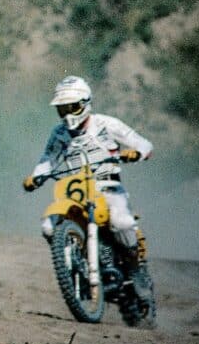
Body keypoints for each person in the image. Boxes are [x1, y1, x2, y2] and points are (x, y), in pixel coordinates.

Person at [22, 76, 153, 296]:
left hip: (108, 186)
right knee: (48, 225)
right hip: (75, 190)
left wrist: (136, 153)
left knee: (121, 223)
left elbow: (144, 144)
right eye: (62, 109)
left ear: (84, 103)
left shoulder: (106, 124)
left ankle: (136, 271)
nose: (67, 114)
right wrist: (35, 177)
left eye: (71, 107)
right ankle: (76, 266)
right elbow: (48, 159)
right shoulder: (59, 133)